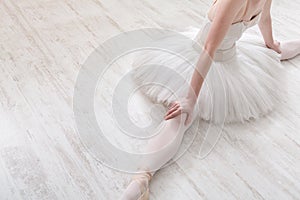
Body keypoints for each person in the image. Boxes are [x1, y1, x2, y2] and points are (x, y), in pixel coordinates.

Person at [120, 0, 300, 199]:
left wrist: (271, 45)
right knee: (181, 115)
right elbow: (208, 49)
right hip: (199, 59)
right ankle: (140, 180)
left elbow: (265, 19)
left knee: (276, 51)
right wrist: (190, 97)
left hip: (229, 58)